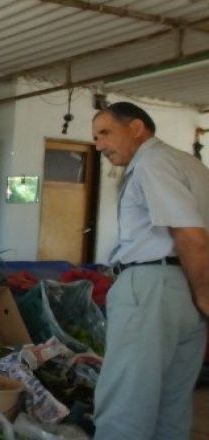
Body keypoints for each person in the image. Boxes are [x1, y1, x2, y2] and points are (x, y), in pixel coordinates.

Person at [92, 101, 209, 439]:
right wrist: (200, 294)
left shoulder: (151, 163)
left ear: (137, 128)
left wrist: (204, 295)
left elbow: (191, 234)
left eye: (105, 133)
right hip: (186, 288)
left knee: (126, 401)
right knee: (172, 405)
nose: (99, 145)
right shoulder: (192, 165)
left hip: (151, 286)